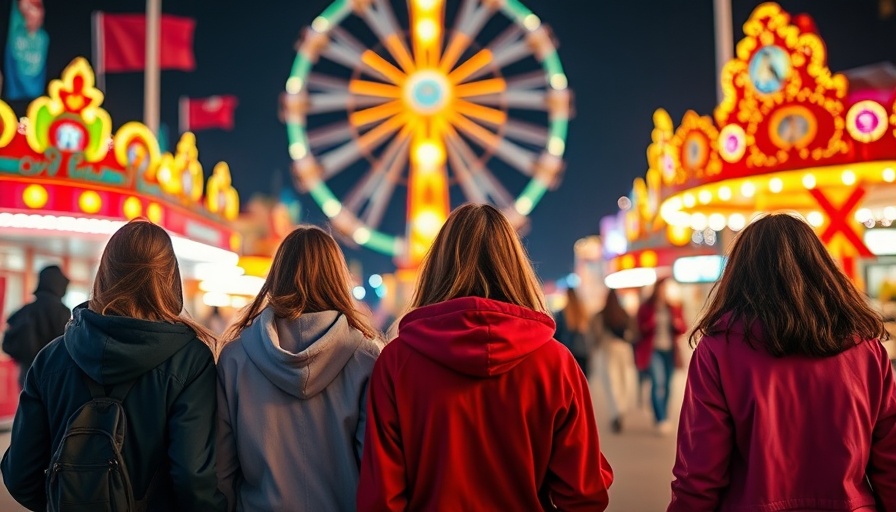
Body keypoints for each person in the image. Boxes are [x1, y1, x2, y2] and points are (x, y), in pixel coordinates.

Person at [357, 204, 613, 511]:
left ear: (437, 266)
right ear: (515, 267)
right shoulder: (556, 363)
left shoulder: (396, 363)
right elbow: (584, 494)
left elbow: (381, 498)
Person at [668, 213, 896, 511]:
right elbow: (891, 462)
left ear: (740, 275)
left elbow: (698, 475)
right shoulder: (867, 350)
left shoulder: (716, 352)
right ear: (822, 269)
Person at [0, 219, 226, 511]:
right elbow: (193, 481)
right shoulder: (191, 360)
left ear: (104, 273)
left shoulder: (51, 358)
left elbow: (20, 475)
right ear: (170, 279)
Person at [216, 226, 382, 512]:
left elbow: (222, 470)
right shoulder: (366, 359)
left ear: (277, 277)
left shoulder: (234, 359)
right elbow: (374, 470)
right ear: (336, 279)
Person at [2, 264, 70, 389]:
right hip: (52, 372)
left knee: (26, 405)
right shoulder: (62, 312)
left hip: (26, 370)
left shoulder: (26, 309)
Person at [636, 276, 686, 434]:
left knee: (669, 384)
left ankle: (664, 413)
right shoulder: (646, 307)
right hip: (653, 349)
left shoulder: (673, 307)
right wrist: (651, 322)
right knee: (658, 382)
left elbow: (683, 327)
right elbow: (640, 328)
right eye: (662, 288)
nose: (664, 292)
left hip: (670, 349)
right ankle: (660, 418)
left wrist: (676, 325)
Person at [590, 288, 638, 433]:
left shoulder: (600, 315)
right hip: (624, 349)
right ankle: (622, 408)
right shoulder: (624, 313)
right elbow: (634, 332)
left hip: (607, 350)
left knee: (611, 382)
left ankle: (616, 411)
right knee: (624, 380)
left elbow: (595, 336)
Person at [554, 287, 590, 376]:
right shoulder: (582, 310)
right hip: (583, 349)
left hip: (569, 349)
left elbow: (557, 332)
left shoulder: (563, 312)